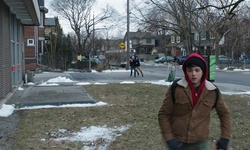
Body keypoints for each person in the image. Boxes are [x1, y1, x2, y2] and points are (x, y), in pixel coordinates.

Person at [158, 53, 231, 150]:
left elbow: (224, 114)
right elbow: (163, 114)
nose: (193, 74)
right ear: (185, 71)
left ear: (203, 71)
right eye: (190, 70)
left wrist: (225, 137)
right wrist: (169, 138)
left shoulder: (212, 91)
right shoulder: (176, 88)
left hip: (200, 144)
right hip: (178, 143)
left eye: (197, 70)